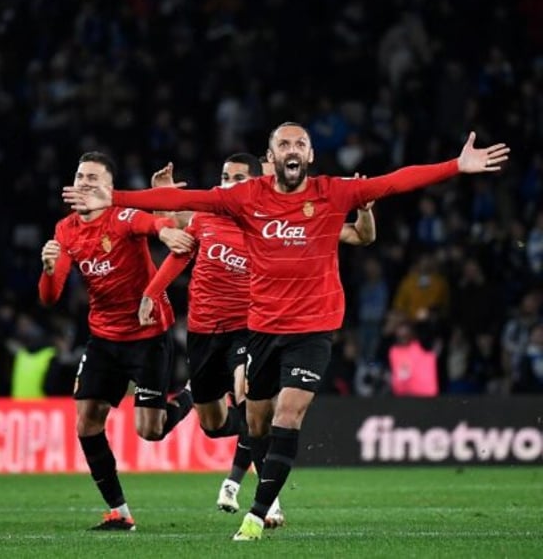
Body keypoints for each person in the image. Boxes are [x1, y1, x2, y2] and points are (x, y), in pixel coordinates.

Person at [63, 125, 509, 540]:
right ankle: (233, 448)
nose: (292, 150)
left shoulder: (332, 193)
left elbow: (395, 180)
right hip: (260, 327)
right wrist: (114, 198)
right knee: (244, 423)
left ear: (310, 155)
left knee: (286, 416)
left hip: (309, 328)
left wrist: (456, 165)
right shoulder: (244, 200)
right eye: (284, 144)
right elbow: (194, 201)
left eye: (300, 144)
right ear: (272, 157)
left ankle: (258, 513)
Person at [141, 154, 375, 521]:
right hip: (203, 332)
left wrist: (362, 210)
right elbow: (175, 226)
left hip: (249, 328)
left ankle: (269, 502)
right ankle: (196, 399)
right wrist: (162, 192)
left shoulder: (273, 222)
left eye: (237, 178)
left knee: (250, 395)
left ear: (253, 183)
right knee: (213, 425)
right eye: (223, 176)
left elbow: (360, 236)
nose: (227, 183)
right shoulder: (208, 216)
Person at [39, 151, 196, 531]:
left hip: (149, 336)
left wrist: (166, 229)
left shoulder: (122, 216)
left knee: (150, 431)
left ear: (109, 187)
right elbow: (50, 296)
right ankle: (119, 512)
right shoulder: (65, 231)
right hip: (104, 338)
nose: (85, 183)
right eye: (80, 176)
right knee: (87, 422)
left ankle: (191, 395)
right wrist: (47, 270)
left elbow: (149, 223)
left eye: (94, 178)